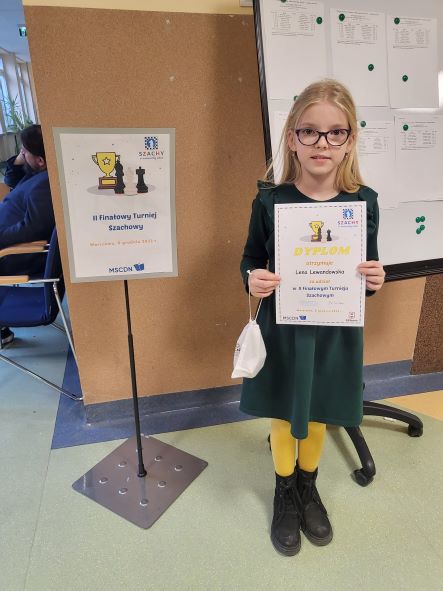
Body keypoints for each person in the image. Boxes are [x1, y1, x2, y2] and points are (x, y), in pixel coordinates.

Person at [239, 79, 385, 556]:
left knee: (319, 411)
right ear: (292, 138)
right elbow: (250, 258)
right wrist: (253, 278)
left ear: (350, 140)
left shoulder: (363, 203)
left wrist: (374, 277)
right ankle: (284, 491)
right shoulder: (271, 201)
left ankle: (308, 486)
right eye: (310, 131)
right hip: (283, 329)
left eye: (335, 132)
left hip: (334, 330)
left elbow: (367, 268)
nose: (322, 143)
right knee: (285, 413)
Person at [0, 124, 55, 346]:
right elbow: (12, 181)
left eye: (25, 151)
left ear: (40, 160)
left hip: (12, 255)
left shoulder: (44, 185)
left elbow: (32, 229)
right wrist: (19, 159)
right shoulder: (38, 174)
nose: (22, 153)